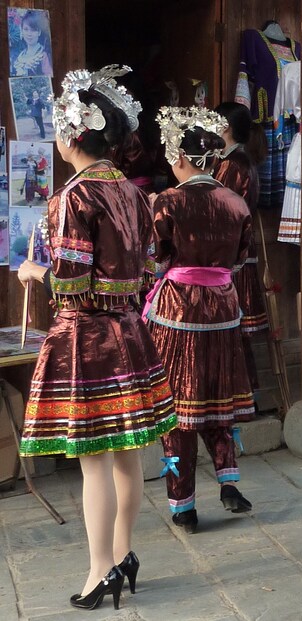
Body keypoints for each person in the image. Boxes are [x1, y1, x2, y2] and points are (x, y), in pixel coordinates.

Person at [17, 65, 177, 610]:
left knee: (94, 460)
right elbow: (151, 263)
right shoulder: (134, 194)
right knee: (127, 453)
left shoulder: (74, 197)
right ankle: (124, 555)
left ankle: (98, 569)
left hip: (87, 339)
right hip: (130, 333)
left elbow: (72, 280)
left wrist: (34, 273)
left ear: (71, 135)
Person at [143, 106, 255, 534]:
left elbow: (156, 258)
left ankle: (183, 505)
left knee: (179, 406)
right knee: (217, 395)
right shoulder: (236, 203)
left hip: (178, 311)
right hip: (224, 306)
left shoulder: (167, 202)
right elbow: (241, 258)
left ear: (180, 158)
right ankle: (228, 481)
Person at [213, 102, 268, 392]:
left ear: (224, 127)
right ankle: (242, 393)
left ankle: (239, 394)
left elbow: (220, 210)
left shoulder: (232, 164)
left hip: (232, 255)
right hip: (235, 252)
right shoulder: (234, 161)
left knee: (232, 327)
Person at [12, 10, 53, 77]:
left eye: (33, 30)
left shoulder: (44, 55)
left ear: (39, 32)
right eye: (26, 29)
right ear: (21, 31)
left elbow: (49, 78)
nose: (29, 34)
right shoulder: (19, 57)